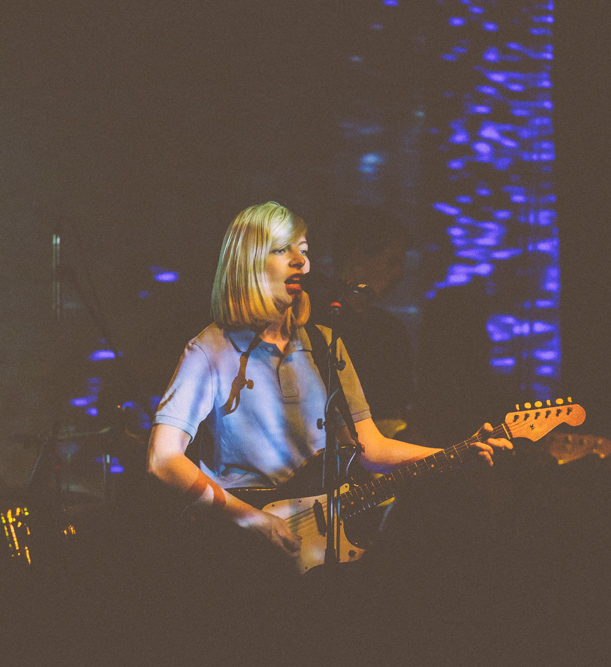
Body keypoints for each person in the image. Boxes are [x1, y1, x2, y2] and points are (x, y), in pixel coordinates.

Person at [146, 201, 511, 560]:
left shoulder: (323, 343)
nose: (300, 261)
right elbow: (163, 458)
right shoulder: (210, 349)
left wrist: (454, 456)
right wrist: (251, 519)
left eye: (303, 250)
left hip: (318, 545)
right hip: (242, 549)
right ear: (249, 263)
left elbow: (371, 449)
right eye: (281, 250)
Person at [314, 205, 417, 440]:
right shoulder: (311, 318)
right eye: (391, 262)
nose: (399, 274)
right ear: (358, 254)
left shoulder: (390, 330)